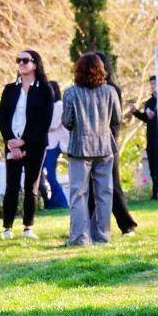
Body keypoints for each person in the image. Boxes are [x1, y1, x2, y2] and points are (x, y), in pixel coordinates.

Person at [62, 53, 121, 246]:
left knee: (79, 194)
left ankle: (80, 238)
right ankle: (102, 236)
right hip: (104, 147)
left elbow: (67, 121)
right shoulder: (110, 91)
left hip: (80, 148)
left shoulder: (71, 93)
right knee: (104, 194)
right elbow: (117, 119)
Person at [0, 50, 52, 240]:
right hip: (12, 144)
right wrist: (11, 142)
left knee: (31, 185)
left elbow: (44, 122)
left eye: (25, 60)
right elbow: (2, 117)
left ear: (35, 64)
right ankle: (7, 228)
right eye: (18, 60)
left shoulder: (45, 90)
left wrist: (25, 141)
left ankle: (28, 227)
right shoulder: (9, 89)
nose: (21, 63)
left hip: (35, 145)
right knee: (11, 185)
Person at [86, 52, 138, 235]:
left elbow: (116, 120)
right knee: (89, 188)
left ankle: (127, 225)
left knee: (113, 185)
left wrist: (111, 140)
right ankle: (89, 227)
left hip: (108, 144)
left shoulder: (112, 89)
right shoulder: (84, 89)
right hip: (88, 144)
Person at [130, 74, 158, 198]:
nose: (153, 87)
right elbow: (147, 119)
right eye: (151, 84)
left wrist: (156, 116)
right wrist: (136, 112)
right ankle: (155, 192)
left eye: (155, 84)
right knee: (152, 165)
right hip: (151, 138)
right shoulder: (149, 102)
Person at [42, 80, 69, 208]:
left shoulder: (59, 105)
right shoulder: (45, 106)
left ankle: (61, 201)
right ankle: (51, 202)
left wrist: (39, 125)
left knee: (51, 174)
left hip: (54, 144)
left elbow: (53, 125)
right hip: (46, 144)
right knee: (44, 174)